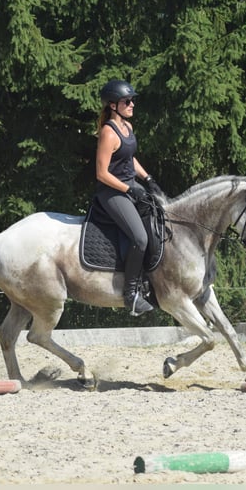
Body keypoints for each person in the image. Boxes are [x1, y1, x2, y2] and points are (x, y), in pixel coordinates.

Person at [93, 79, 163, 316]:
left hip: (130, 185)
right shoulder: (108, 133)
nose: (132, 104)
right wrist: (128, 189)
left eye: (133, 100)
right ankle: (130, 295)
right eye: (127, 101)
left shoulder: (127, 128)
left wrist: (148, 179)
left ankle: (148, 281)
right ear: (113, 105)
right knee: (140, 238)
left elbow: (129, 158)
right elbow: (101, 173)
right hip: (112, 192)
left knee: (157, 223)